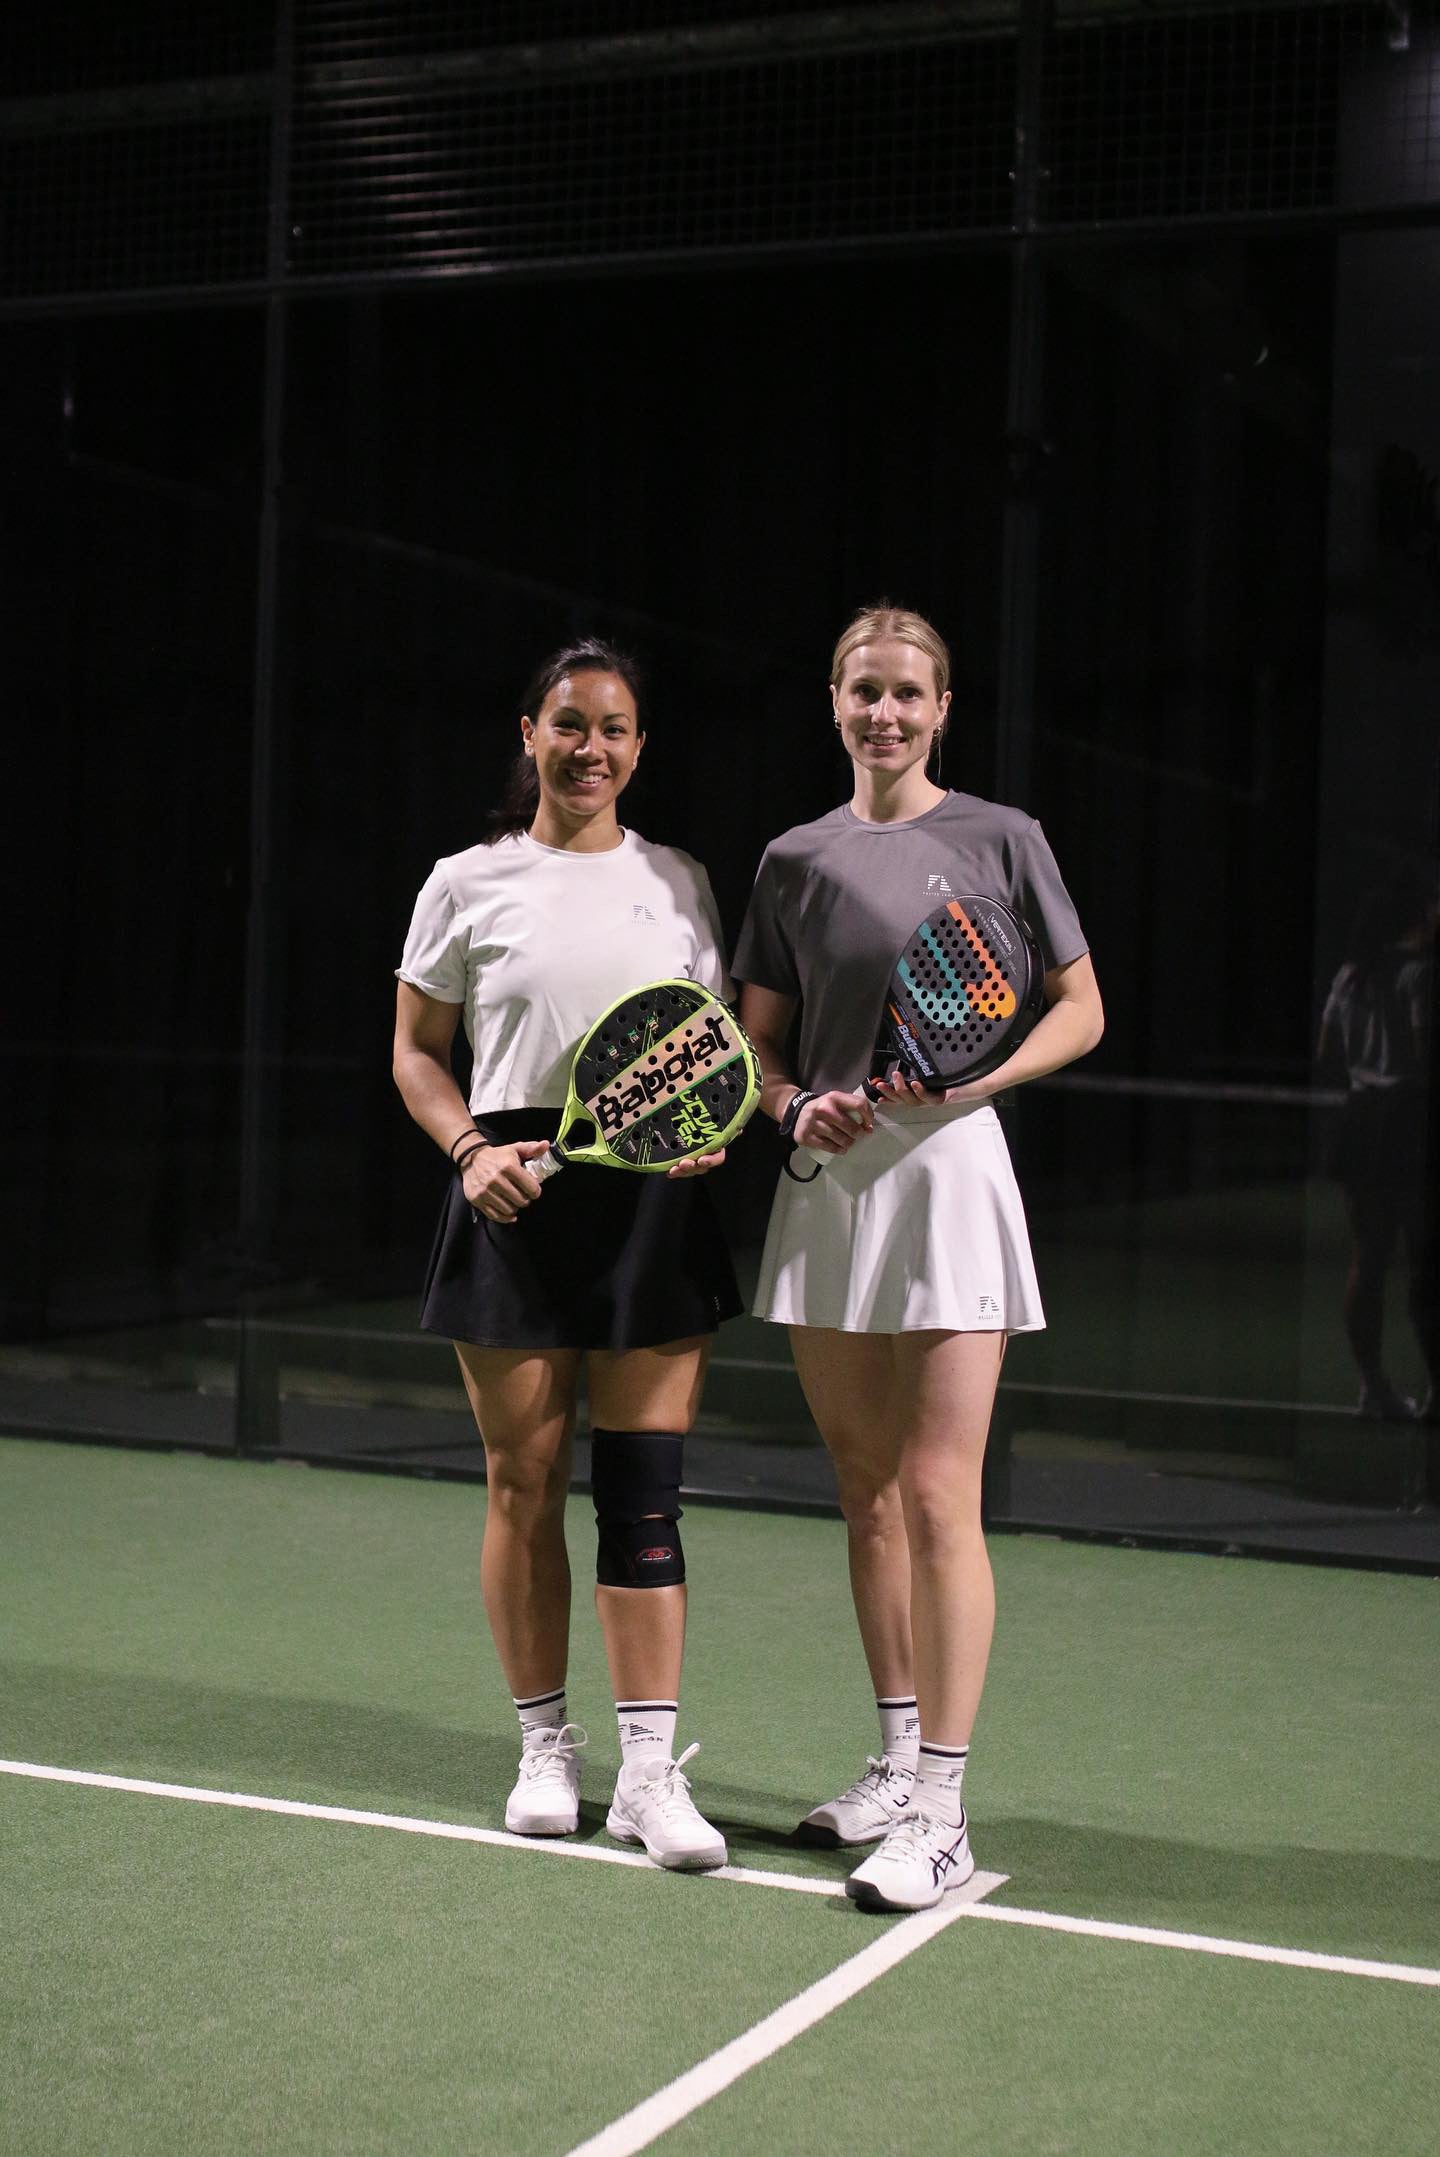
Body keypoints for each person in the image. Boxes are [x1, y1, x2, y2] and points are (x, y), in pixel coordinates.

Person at [735, 604, 1103, 1912]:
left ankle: (944, 1808)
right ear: (834, 701)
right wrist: (787, 1107)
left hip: (949, 1175)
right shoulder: (793, 860)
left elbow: (1084, 1006)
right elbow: (754, 1042)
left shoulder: (1004, 839)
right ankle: (894, 1763)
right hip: (833, 1185)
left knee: (944, 1492)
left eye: (907, 693)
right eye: (862, 691)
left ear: (941, 707)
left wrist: (977, 1085)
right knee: (866, 1486)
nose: (884, 713)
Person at [392, 638, 742, 1871]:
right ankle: (546, 1747)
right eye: (569, 723)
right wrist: (466, 1148)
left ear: (641, 748)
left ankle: (650, 1776)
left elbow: (707, 1052)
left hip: (650, 1202)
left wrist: (712, 1130)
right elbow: (418, 1052)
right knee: (522, 1484)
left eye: (615, 728)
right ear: (528, 733)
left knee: (642, 1490)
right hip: (510, 1199)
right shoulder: (465, 881)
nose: (591, 746)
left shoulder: (684, 881)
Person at [1316, 868, 1438, 1424]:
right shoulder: (1417, 976)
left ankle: (1373, 1385)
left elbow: (1328, 1052)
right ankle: (1427, 1388)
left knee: (1370, 1260)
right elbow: (1422, 1051)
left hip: (1362, 1119)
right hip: (1406, 1123)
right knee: (1422, 1262)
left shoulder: (1350, 976)